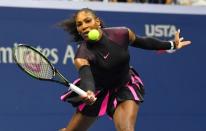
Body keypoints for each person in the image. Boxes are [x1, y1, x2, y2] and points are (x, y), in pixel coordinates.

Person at [58, 8, 191, 131]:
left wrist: (172, 44)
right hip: (98, 92)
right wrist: (89, 92)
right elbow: (87, 78)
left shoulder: (121, 34)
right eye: (79, 24)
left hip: (124, 86)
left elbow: (144, 42)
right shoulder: (82, 55)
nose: (84, 26)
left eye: (87, 21)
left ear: (97, 21)